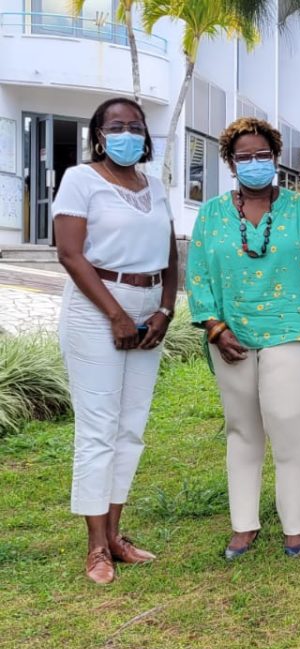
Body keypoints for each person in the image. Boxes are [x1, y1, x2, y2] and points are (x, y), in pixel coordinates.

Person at [186, 117, 300, 560]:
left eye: (263, 155)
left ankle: (295, 526)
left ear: (275, 158)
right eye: (244, 157)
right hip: (231, 337)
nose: (255, 163)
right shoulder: (212, 214)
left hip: (291, 331)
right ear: (230, 164)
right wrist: (215, 329)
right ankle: (244, 525)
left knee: (289, 423)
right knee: (242, 430)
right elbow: (197, 278)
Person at [53, 97, 178, 584]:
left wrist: (165, 309)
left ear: (145, 134)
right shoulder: (80, 180)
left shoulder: (154, 184)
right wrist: (116, 315)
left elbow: (169, 252)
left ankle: (116, 535)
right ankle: (95, 548)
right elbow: (69, 254)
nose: (127, 132)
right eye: (116, 126)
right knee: (98, 429)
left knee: (131, 428)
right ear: (99, 135)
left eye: (135, 125)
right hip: (97, 309)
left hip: (148, 309)